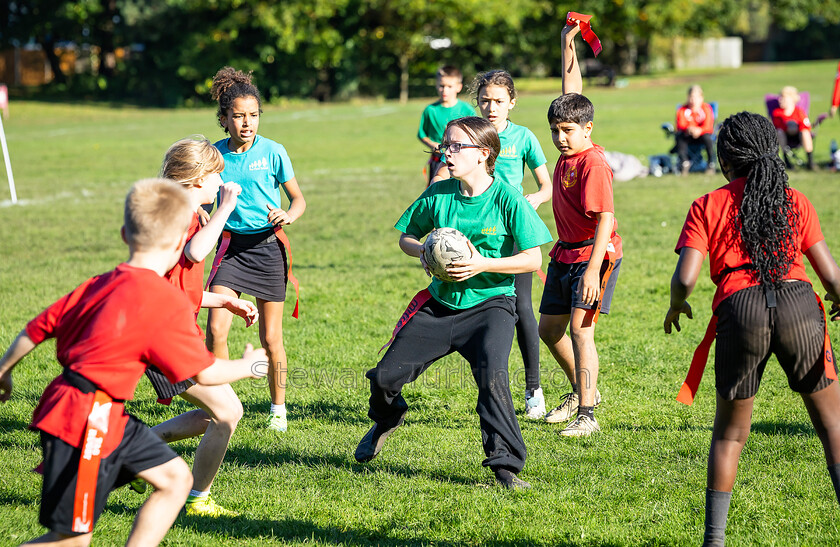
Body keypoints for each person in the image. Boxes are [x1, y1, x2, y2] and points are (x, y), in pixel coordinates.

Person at [0, 178, 266, 547]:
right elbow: (205, 371)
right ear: (179, 242)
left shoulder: (98, 282)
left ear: (125, 234)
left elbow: (37, 328)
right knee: (70, 541)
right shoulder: (164, 300)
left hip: (107, 415)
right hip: (85, 418)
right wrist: (251, 365)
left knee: (175, 480)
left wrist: (4, 372)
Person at [664, 111, 840, 546]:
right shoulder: (795, 200)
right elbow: (832, 277)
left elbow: (686, 277)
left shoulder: (708, 203)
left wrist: (677, 303)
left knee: (730, 433)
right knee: (834, 426)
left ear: (725, 161)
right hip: (800, 304)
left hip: (740, 310)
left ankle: (714, 540)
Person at [355, 116, 552, 489]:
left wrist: (482, 264)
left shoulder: (506, 198)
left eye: (457, 146)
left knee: (493, 380)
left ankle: (505, 465)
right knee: (384, 377)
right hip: (440, 305)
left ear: (483, 153)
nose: (447, 152)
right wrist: (424, 253)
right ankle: (387, 417)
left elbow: (532, 258)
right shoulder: (439, 193)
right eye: (446, 145)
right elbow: (407, 237)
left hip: (491, 305)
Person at [143, 136, 259, 518]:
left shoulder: (183, 214)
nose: (220, 183)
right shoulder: (180, 216)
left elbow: (177, 289)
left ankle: (133, 451)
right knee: (228, 413)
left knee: (212, 415)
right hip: (164, 339)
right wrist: (226, 208)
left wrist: (224, 300)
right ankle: (197, 499)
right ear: (196, 179)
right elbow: (195, 252)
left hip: (175, 332)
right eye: (215, 177)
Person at [433, 69, 553, 420]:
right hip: (469, 235)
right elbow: (444, 170)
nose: (491, 107)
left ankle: (533, 389)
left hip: (511, 235)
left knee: (523, 309)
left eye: (499, 101)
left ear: (512, 103)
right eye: (485, 100)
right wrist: (438, 181)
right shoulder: (465, 137)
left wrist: (534, 199)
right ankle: (487, 381)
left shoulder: (523, 137)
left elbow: (546, 185)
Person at [204, 67, 307, 432]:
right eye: (238, 116)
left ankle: (278, 409)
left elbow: (298, 200)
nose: (247, 123)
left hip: (267, 248)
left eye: (253, 116)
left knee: (270, 337)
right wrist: (202, 216)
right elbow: (197, 195)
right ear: (224, 119)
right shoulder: (213, 156)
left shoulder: (274, 152)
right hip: (230, 249)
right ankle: (223, 402)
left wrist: (288, 214)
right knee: (216, 329)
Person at [537, 18, 623, 437]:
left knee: (579, 329)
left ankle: (587, 414)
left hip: (594, 254)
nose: (559, 137)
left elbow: (606, 217)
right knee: (548, 330)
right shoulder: (569, 148)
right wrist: (567, 44)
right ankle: (581, 390)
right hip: (565, 251)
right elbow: (572, 93)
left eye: (567, 130)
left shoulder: (592, 162)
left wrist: (592, 270)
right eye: (554, 130)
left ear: (588, 129)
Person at [417, 65, 476, 185]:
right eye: (441, 86)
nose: (445, 90)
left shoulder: (467, 110)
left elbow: (476, 135)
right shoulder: (430, 110)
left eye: (449, 86)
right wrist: (433, 144)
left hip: (461, 159)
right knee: (436, 190)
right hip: (437, 160)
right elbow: (422, 134)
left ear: (459, 87)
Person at [771, 86, 816, 171]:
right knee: (779, 132)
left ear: (791, 99)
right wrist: (787, 127)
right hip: (785, 137)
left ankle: (810, 162)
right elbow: (776, 126)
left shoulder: (799, 112)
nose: (780, 100)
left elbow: (806, 125)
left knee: (805, 132)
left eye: (783, 98)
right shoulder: (777, 113)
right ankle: (786, 160)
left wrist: (796, 127)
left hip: (798, 136)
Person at [675, 85, 716, 175]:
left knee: (708, 138)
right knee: (679, 137)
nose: (693, 100)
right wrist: (689, 129)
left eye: (696, 97)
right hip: (687, 135)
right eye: (691, 97)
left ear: (701, 98)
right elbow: (680, 124)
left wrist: (699, 130)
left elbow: (708, 125)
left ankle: (710, 163)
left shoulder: (706, 109)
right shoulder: (683, 110)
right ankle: (684, 163)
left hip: (702, 135)